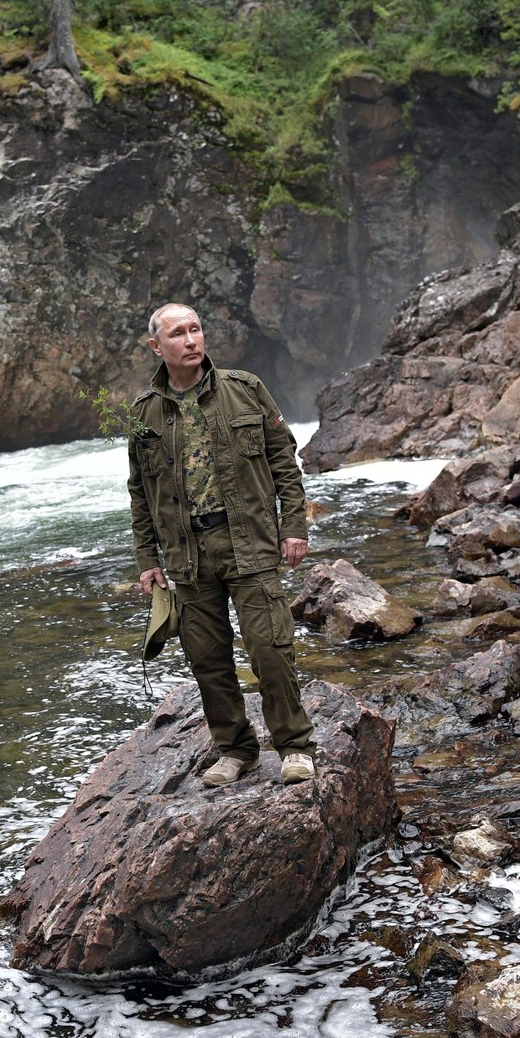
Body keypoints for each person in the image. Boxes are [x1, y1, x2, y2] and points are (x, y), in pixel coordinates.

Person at [127, 302, 316, 788]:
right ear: (156, 347)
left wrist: (293, 526)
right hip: (187, 557)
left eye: (196, 330)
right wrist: (148, 558)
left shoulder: (245, 389)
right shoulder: (144, 414)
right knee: (208, 660)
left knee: (270, 648)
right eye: (177, 334)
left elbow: (284, 463)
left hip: (249, 543)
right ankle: (236, 751)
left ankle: (294, 746)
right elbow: (139, 492)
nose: (191, 340)